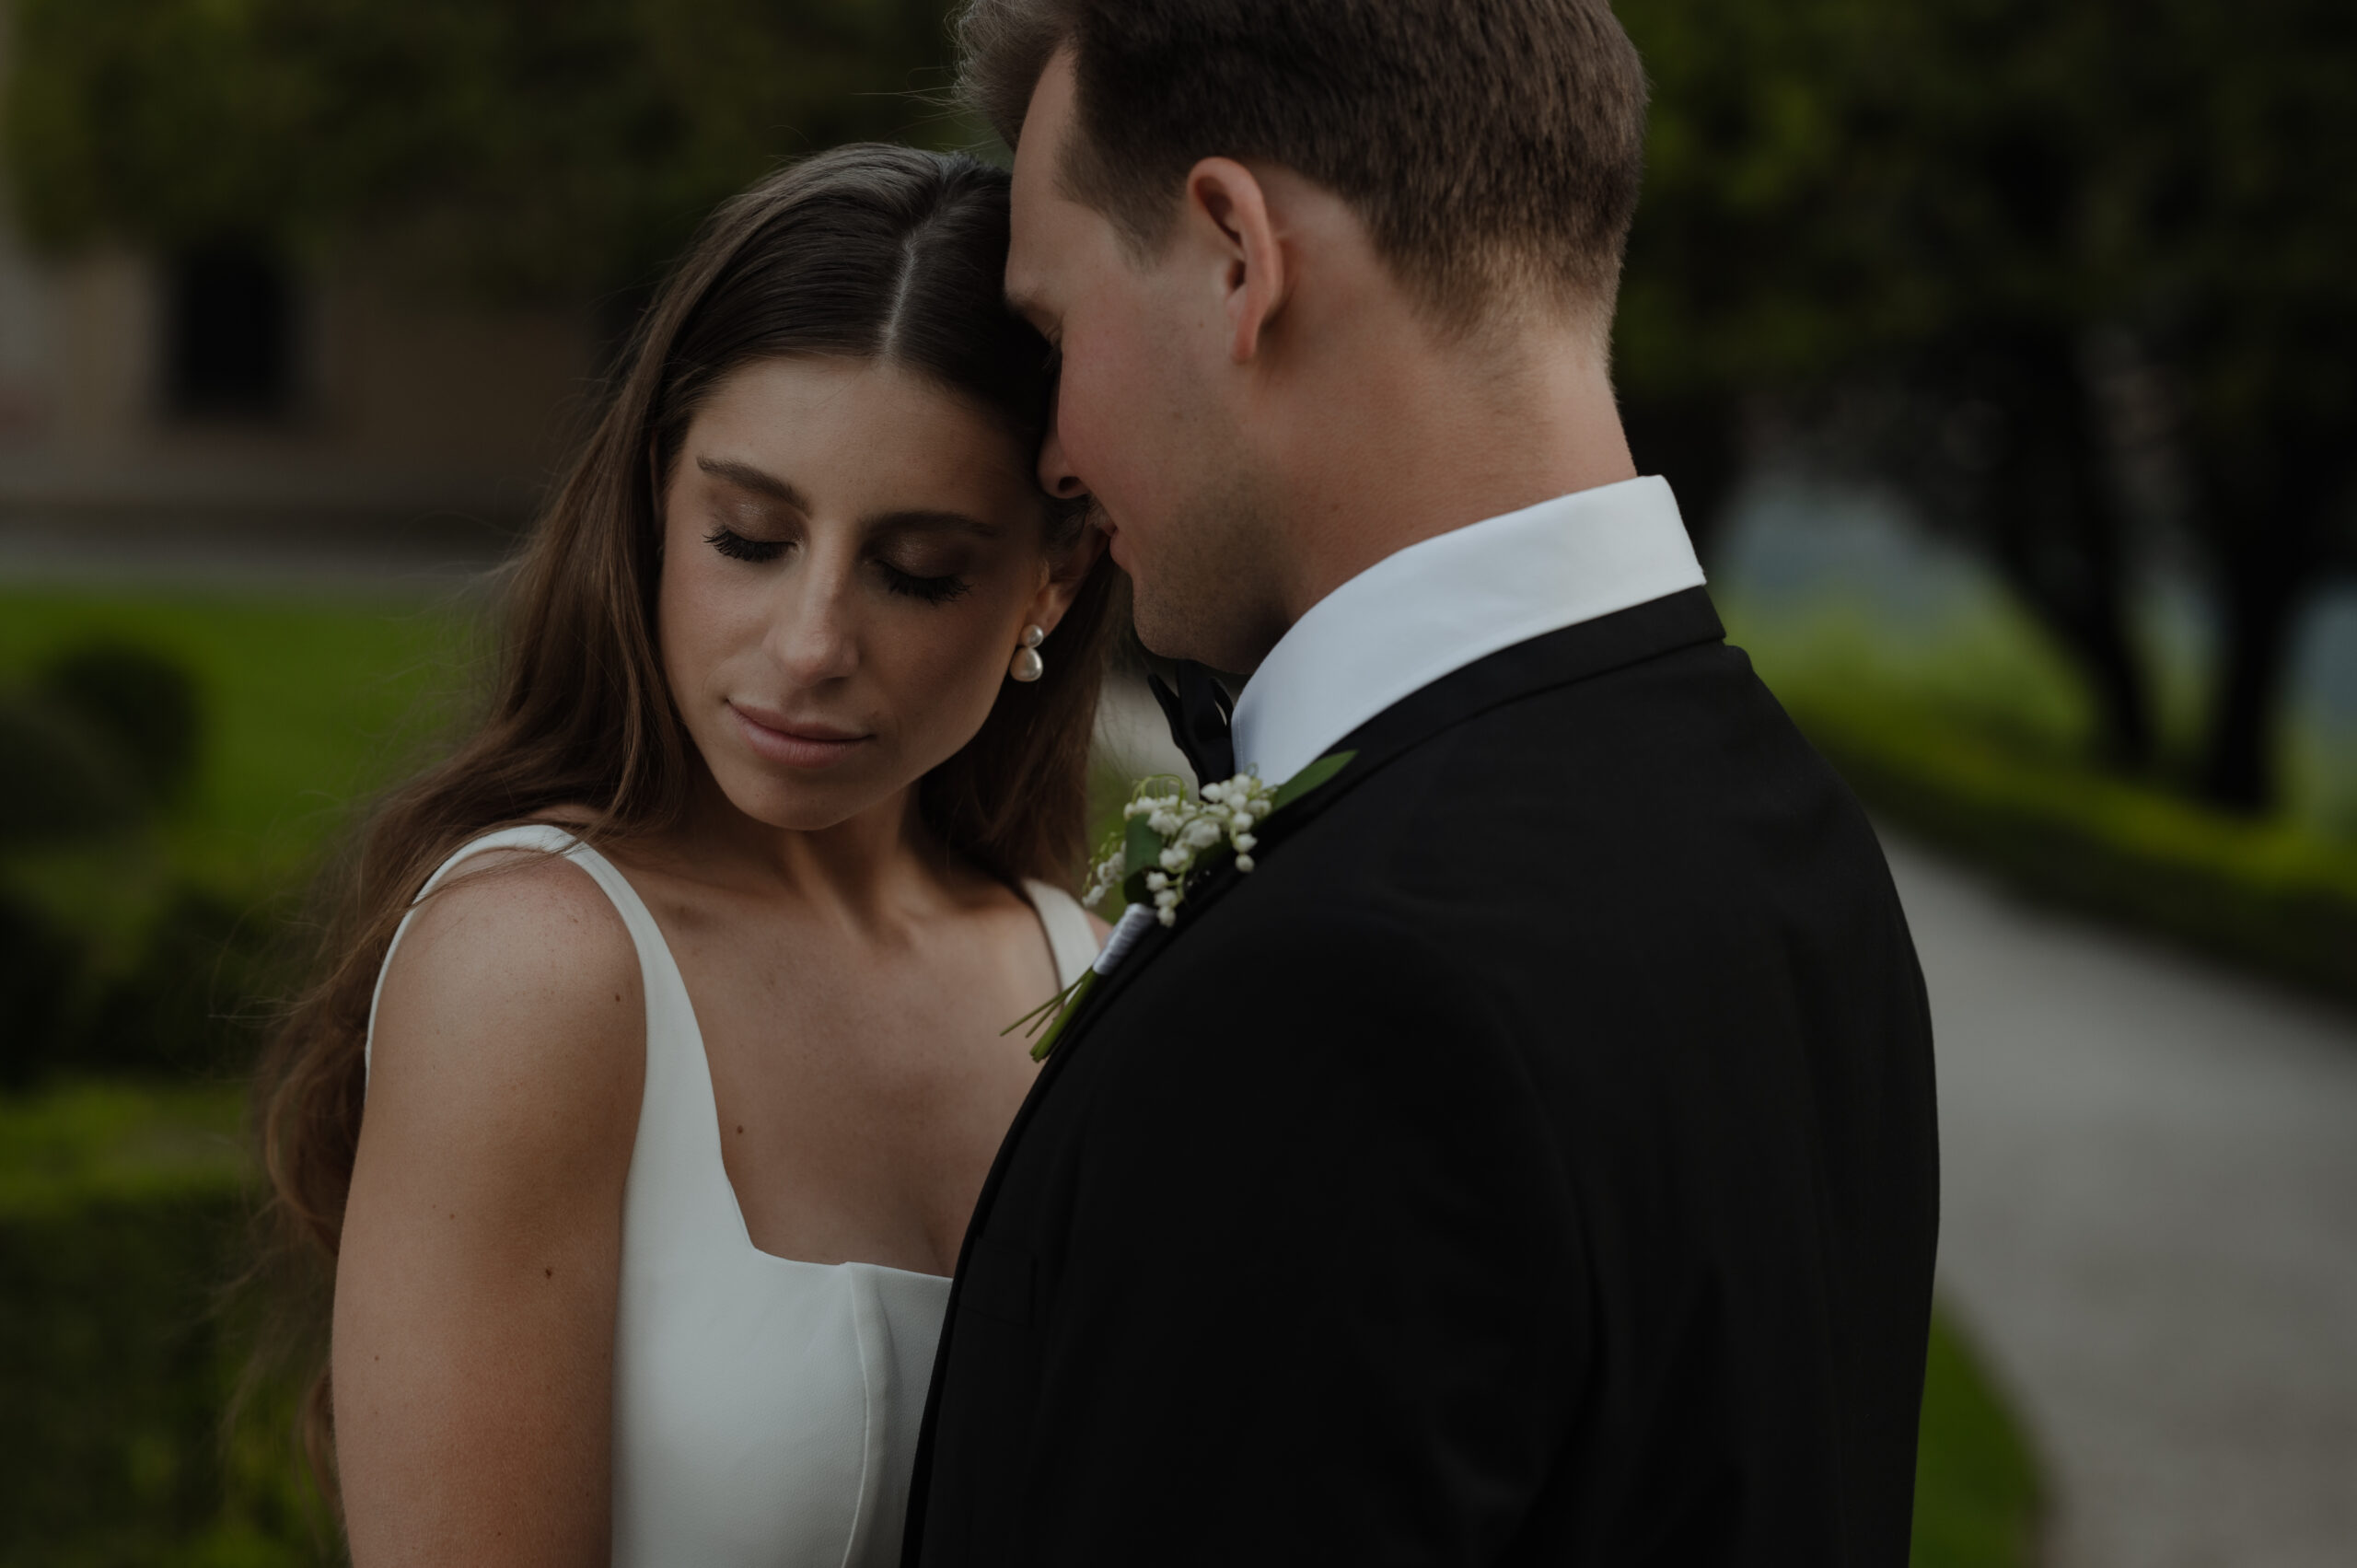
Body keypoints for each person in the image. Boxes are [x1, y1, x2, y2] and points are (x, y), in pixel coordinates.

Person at [903, 3, 1941, 1563]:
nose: (1051, 451)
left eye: (1057, 334)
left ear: (1235, 253)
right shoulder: (1783, 827)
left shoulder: (1345, 990)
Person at [252, 144, 1117, 1566]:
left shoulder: (1087, 975)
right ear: (656, 505)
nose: (811, 644)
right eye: (750, 536)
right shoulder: (536, 968)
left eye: (916, 571)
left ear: (1053, 577)